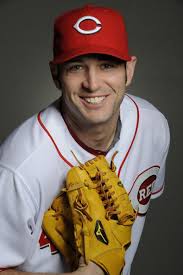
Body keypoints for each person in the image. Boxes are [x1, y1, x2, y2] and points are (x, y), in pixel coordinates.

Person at [0, 4, 170, 275]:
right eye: (76, 67)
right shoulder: (18, 169)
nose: (92, 83)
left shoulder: (153, 127)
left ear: (130, 69)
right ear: (56, 75)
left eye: (107, 65)